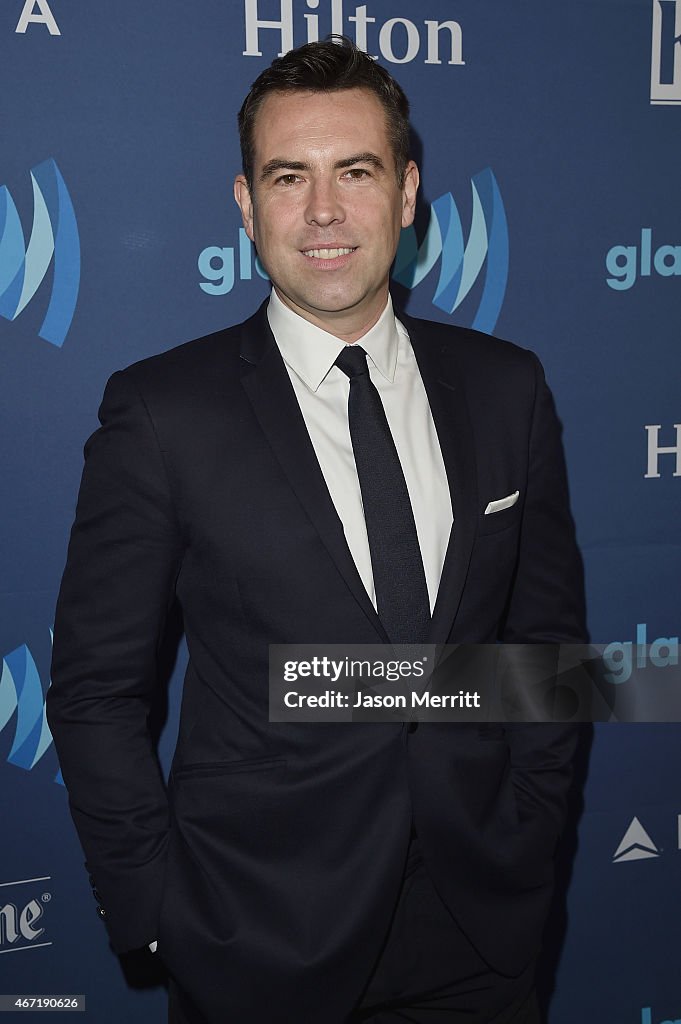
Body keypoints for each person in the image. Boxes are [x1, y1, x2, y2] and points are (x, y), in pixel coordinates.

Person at [47, 37, 586, 1024]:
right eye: (289, 177)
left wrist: (532, 831)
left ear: (409, 190)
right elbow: (94, 691)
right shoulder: (164, 413)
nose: (325, 211)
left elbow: (547, 654)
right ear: (248, 205)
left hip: (482, 933)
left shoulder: (510, 390)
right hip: (256, 943)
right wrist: (157, 912)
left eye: (357, 172)